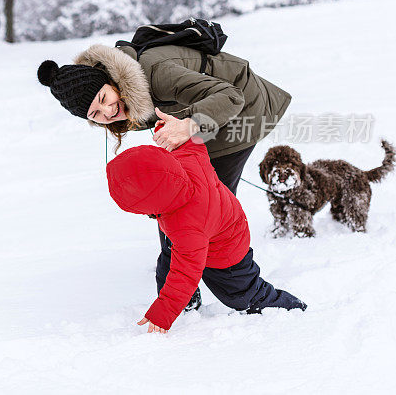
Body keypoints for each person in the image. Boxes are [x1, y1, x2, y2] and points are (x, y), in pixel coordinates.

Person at [37, 41, 292, 310]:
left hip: (240, 111)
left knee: (204, 206)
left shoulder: (155, 74)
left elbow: (231, 96)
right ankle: (183, 291)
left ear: (110, 81)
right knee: (176, 197)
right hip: (193, 120)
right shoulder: (126, 91)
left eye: (103, 99)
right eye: (95, 114)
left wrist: (190, 125)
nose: (107, 112)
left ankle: (250, 294)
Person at [105, 121, 306, 332]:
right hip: (215, 224)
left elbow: (185, 274)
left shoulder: (186, 227)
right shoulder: (186, 160)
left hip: (226, 253)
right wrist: (167, 127)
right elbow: (193, 142)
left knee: (242, 296)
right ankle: (188, 306)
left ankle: (291, 308)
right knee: (166, 267)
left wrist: (163, 312)